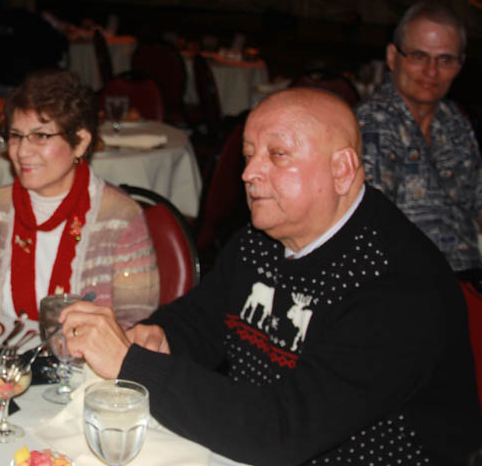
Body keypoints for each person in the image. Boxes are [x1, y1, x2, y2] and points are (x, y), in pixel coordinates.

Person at [61, 89, 481, 465]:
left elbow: (283, 431)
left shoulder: (397, 286)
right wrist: (161, 336)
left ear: (342, 171)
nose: (248, 173)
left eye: (277, 155)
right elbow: (203, 319)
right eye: (248, 155)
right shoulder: (261, 240)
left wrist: (134, 366)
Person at [0, 70, 158, 327]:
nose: (23, 151)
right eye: (16, 136)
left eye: (41, 136)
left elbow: (135, 324)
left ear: (81, 143)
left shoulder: (119, 218)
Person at [356, 3, 481, 274]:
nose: (431, 72)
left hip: (468, 277)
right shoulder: (374, 125)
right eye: (418, 56)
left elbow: (477, 203)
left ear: (460, 65)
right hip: (412, 283)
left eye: (445, 60)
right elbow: (370, 232)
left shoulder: (454, 122)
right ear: (392, 57)